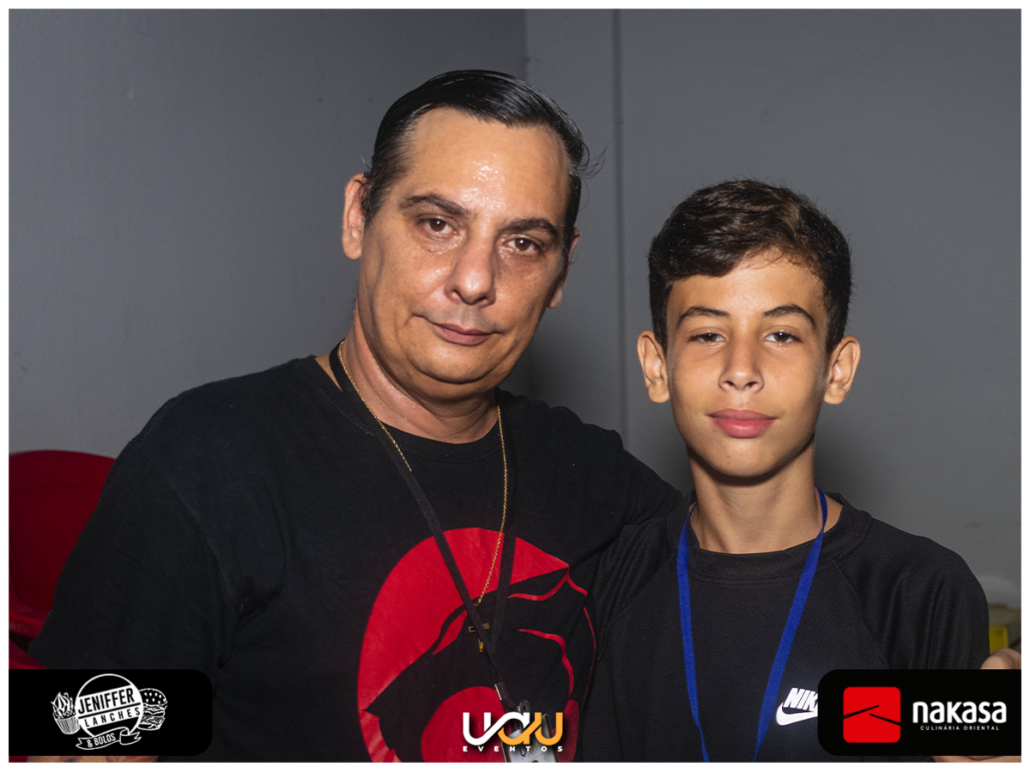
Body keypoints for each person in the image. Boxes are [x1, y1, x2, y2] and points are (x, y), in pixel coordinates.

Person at [27, 70, 680, 762]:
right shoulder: (207, 463)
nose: (475, 279)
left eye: (522, 243)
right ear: (357, 217)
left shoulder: (594, 478)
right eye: (437, 224)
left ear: (561, 273)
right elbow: (74, 750)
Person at [579, 180, 1000, 762]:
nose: (741, 369)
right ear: (657, 367)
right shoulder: (606, 581)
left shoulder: (920, 591)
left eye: (781, 334)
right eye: (707, 334)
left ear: (837, 370)